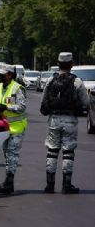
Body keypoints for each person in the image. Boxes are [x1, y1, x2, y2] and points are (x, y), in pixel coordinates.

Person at [40, 52, 88, 194]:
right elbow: (85, 102)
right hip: (70, 121)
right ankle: (67, 185)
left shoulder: (50, 80)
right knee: (68, 151)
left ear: (58, 63)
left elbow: (44, 102)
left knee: (52, 150)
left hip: (54, 120)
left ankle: (50, 185)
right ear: (71, 64)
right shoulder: (77, 82)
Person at [0, 64, 27, 194]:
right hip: (3, 128)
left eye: (3, 73)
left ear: (10, 75)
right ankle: (8, 183)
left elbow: (22, 107)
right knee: (7, 156)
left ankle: (8, 183)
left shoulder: (18, 88)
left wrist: (6, 107)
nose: (0, 75)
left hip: (16, 128)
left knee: (12, 155)